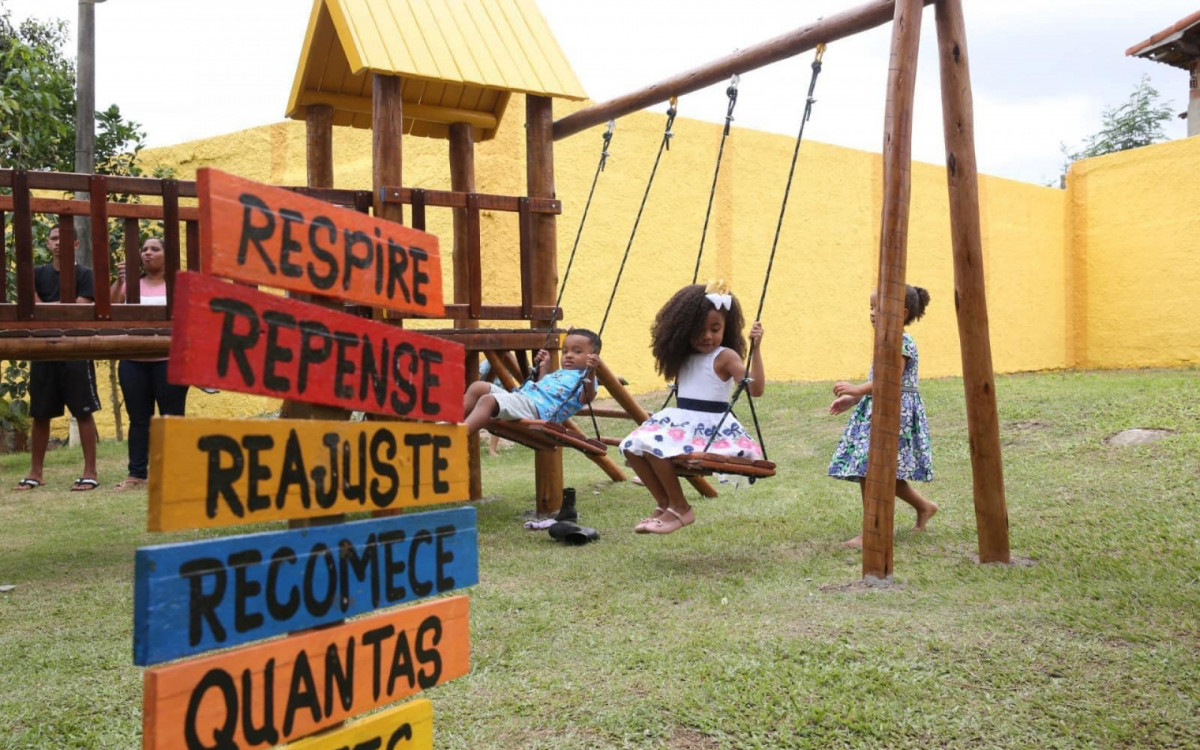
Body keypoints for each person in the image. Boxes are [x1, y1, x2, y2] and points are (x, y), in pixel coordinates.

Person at [621, 281, 765, 535]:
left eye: (715, 329)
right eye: (699, 330)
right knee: (632, 447)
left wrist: (757, 349)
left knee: (656, 447)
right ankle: (665, 504)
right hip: (682, 423)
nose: (707, 336)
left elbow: (755, 389)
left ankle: (681, 507)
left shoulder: (725, 356)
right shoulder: (684, 357)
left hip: (709, 429)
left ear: (725, 328)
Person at [828, 284, 938, 547]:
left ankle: (873, 530)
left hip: (894, 416)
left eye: (878, 308)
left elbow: (889, 379)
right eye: (871, 307)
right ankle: (924, 507)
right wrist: (852, 399)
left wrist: (857, 388)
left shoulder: (901, 341)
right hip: (879, 410)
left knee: (872, 469)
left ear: (900, 312)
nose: (872, 313)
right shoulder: (886, 340)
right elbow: (875, 382)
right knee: (883, 472)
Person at [14, 225, 102, 491]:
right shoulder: (37, 273)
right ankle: (36, 473)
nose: (57, 243)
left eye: (63, 239)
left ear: (75, 245)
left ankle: (90, 472)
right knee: (41, 413)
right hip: (43, 349)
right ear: (47, 243)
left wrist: (47, 309)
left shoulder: (85, 274)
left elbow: (78, 309)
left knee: (83, 412)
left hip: (76, 350)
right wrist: (53, 308)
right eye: (53, 238)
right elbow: (33, 306)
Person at [109, 237, 189, 490]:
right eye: (144, 249)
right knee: (139, 420)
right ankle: (137, 475)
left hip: (170, 361)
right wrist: (121, 281)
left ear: (168, 255)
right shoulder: (130, 286)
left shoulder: (178, 286)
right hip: (133, 361)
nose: (148, 253)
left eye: (155, 249)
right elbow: (108, 309)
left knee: (172, 418)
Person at [462, 329, 602, 434]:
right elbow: (541, 389)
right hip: (524, 400)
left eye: (577, 352)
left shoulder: (586, 378)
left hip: (537, 412)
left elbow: (586, 398)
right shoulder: (561, 374)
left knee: (488, 400)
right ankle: (449, 420)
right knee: (478, 387)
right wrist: (544, 367)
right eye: (565, 351)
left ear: (594, 356)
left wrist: (591, 370)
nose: (569, 355)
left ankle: (459, 434)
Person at [477, 359, 502, 456]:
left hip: (499, 398)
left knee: (498, 420)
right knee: (478, 419)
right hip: (485, 396)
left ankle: (492, 449)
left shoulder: (509, 363)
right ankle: (476, 444)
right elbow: (477, 377)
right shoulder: (487, 364)